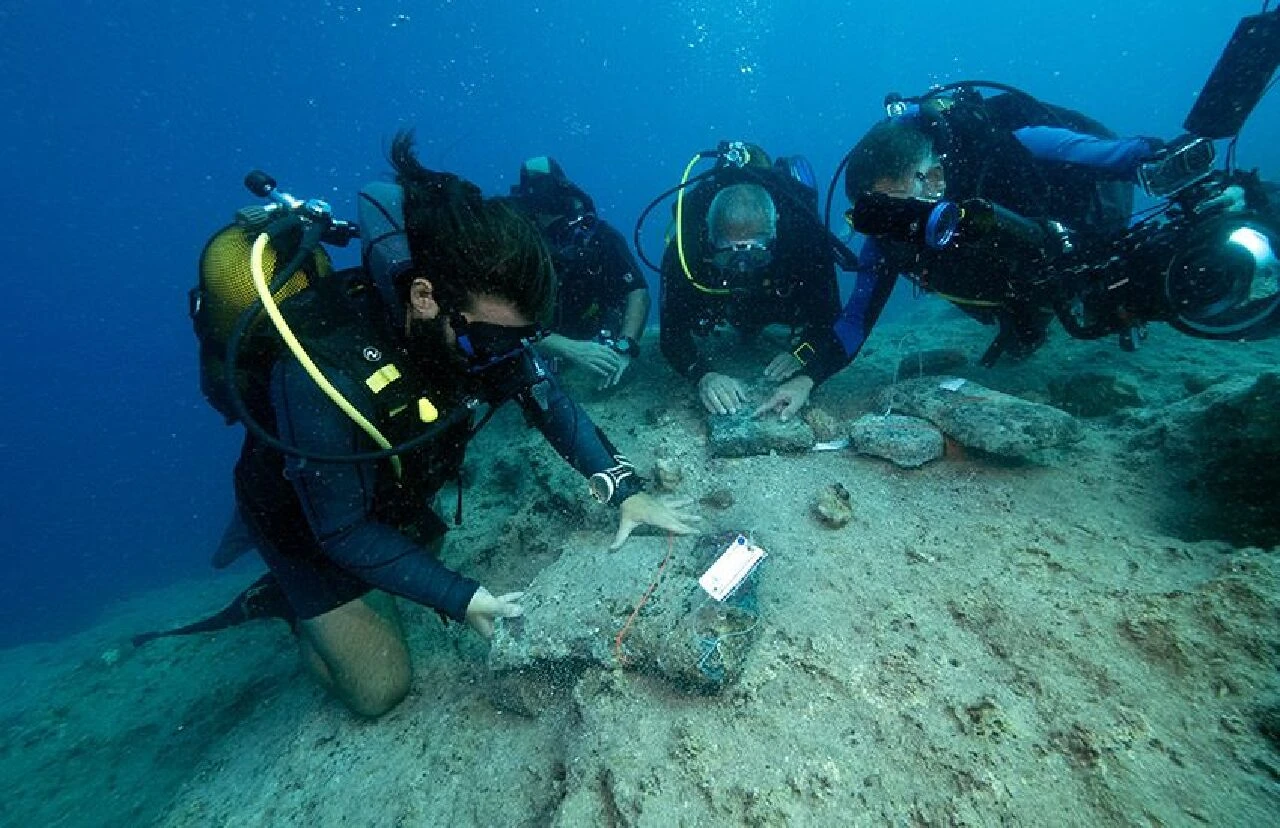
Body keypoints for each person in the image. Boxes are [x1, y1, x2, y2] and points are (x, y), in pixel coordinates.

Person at [161, 132, 698, 719]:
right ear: (424, 296)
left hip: (382, 485)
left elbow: (547, 396)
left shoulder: (480, 334)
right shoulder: (322, 369)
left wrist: (625, 489)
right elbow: (340, 531)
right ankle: (292, 602)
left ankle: (358, 596)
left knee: (413, 561)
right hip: (304, 515)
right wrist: (458, 595)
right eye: (497, 337)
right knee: (380, 687)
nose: (513, 354)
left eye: (523, 336)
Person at [756, 87, 1168, 420]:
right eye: (870, 212)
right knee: (1025, 329)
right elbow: (854, 322)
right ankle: (1027, 322)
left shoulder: (1006, 152)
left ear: (933, 179)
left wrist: (1156, 158)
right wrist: (806, 380)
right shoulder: (887, 241)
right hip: (1009, 288)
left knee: (1118, 291)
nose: (884, 224)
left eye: (890, 206)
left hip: (1067, 245)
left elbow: (1111, 154)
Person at [658, 142, 841, 415]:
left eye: (755, 254)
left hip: (779, 300)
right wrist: (703, 375)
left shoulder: (804, 240)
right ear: (710, 236)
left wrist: (803, 352)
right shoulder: (687, 248)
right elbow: (671, 333)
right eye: (729, 254)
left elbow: (831, 317)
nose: (742, 268)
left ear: (774, 232)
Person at [507, 156, 650, 390]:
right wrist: (567, 348)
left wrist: (625, 347)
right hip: (535, 338)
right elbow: (498, 317)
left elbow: (637, 291)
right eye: (538, 212)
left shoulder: (601, 237)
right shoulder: (512, 246)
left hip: (592, 326)